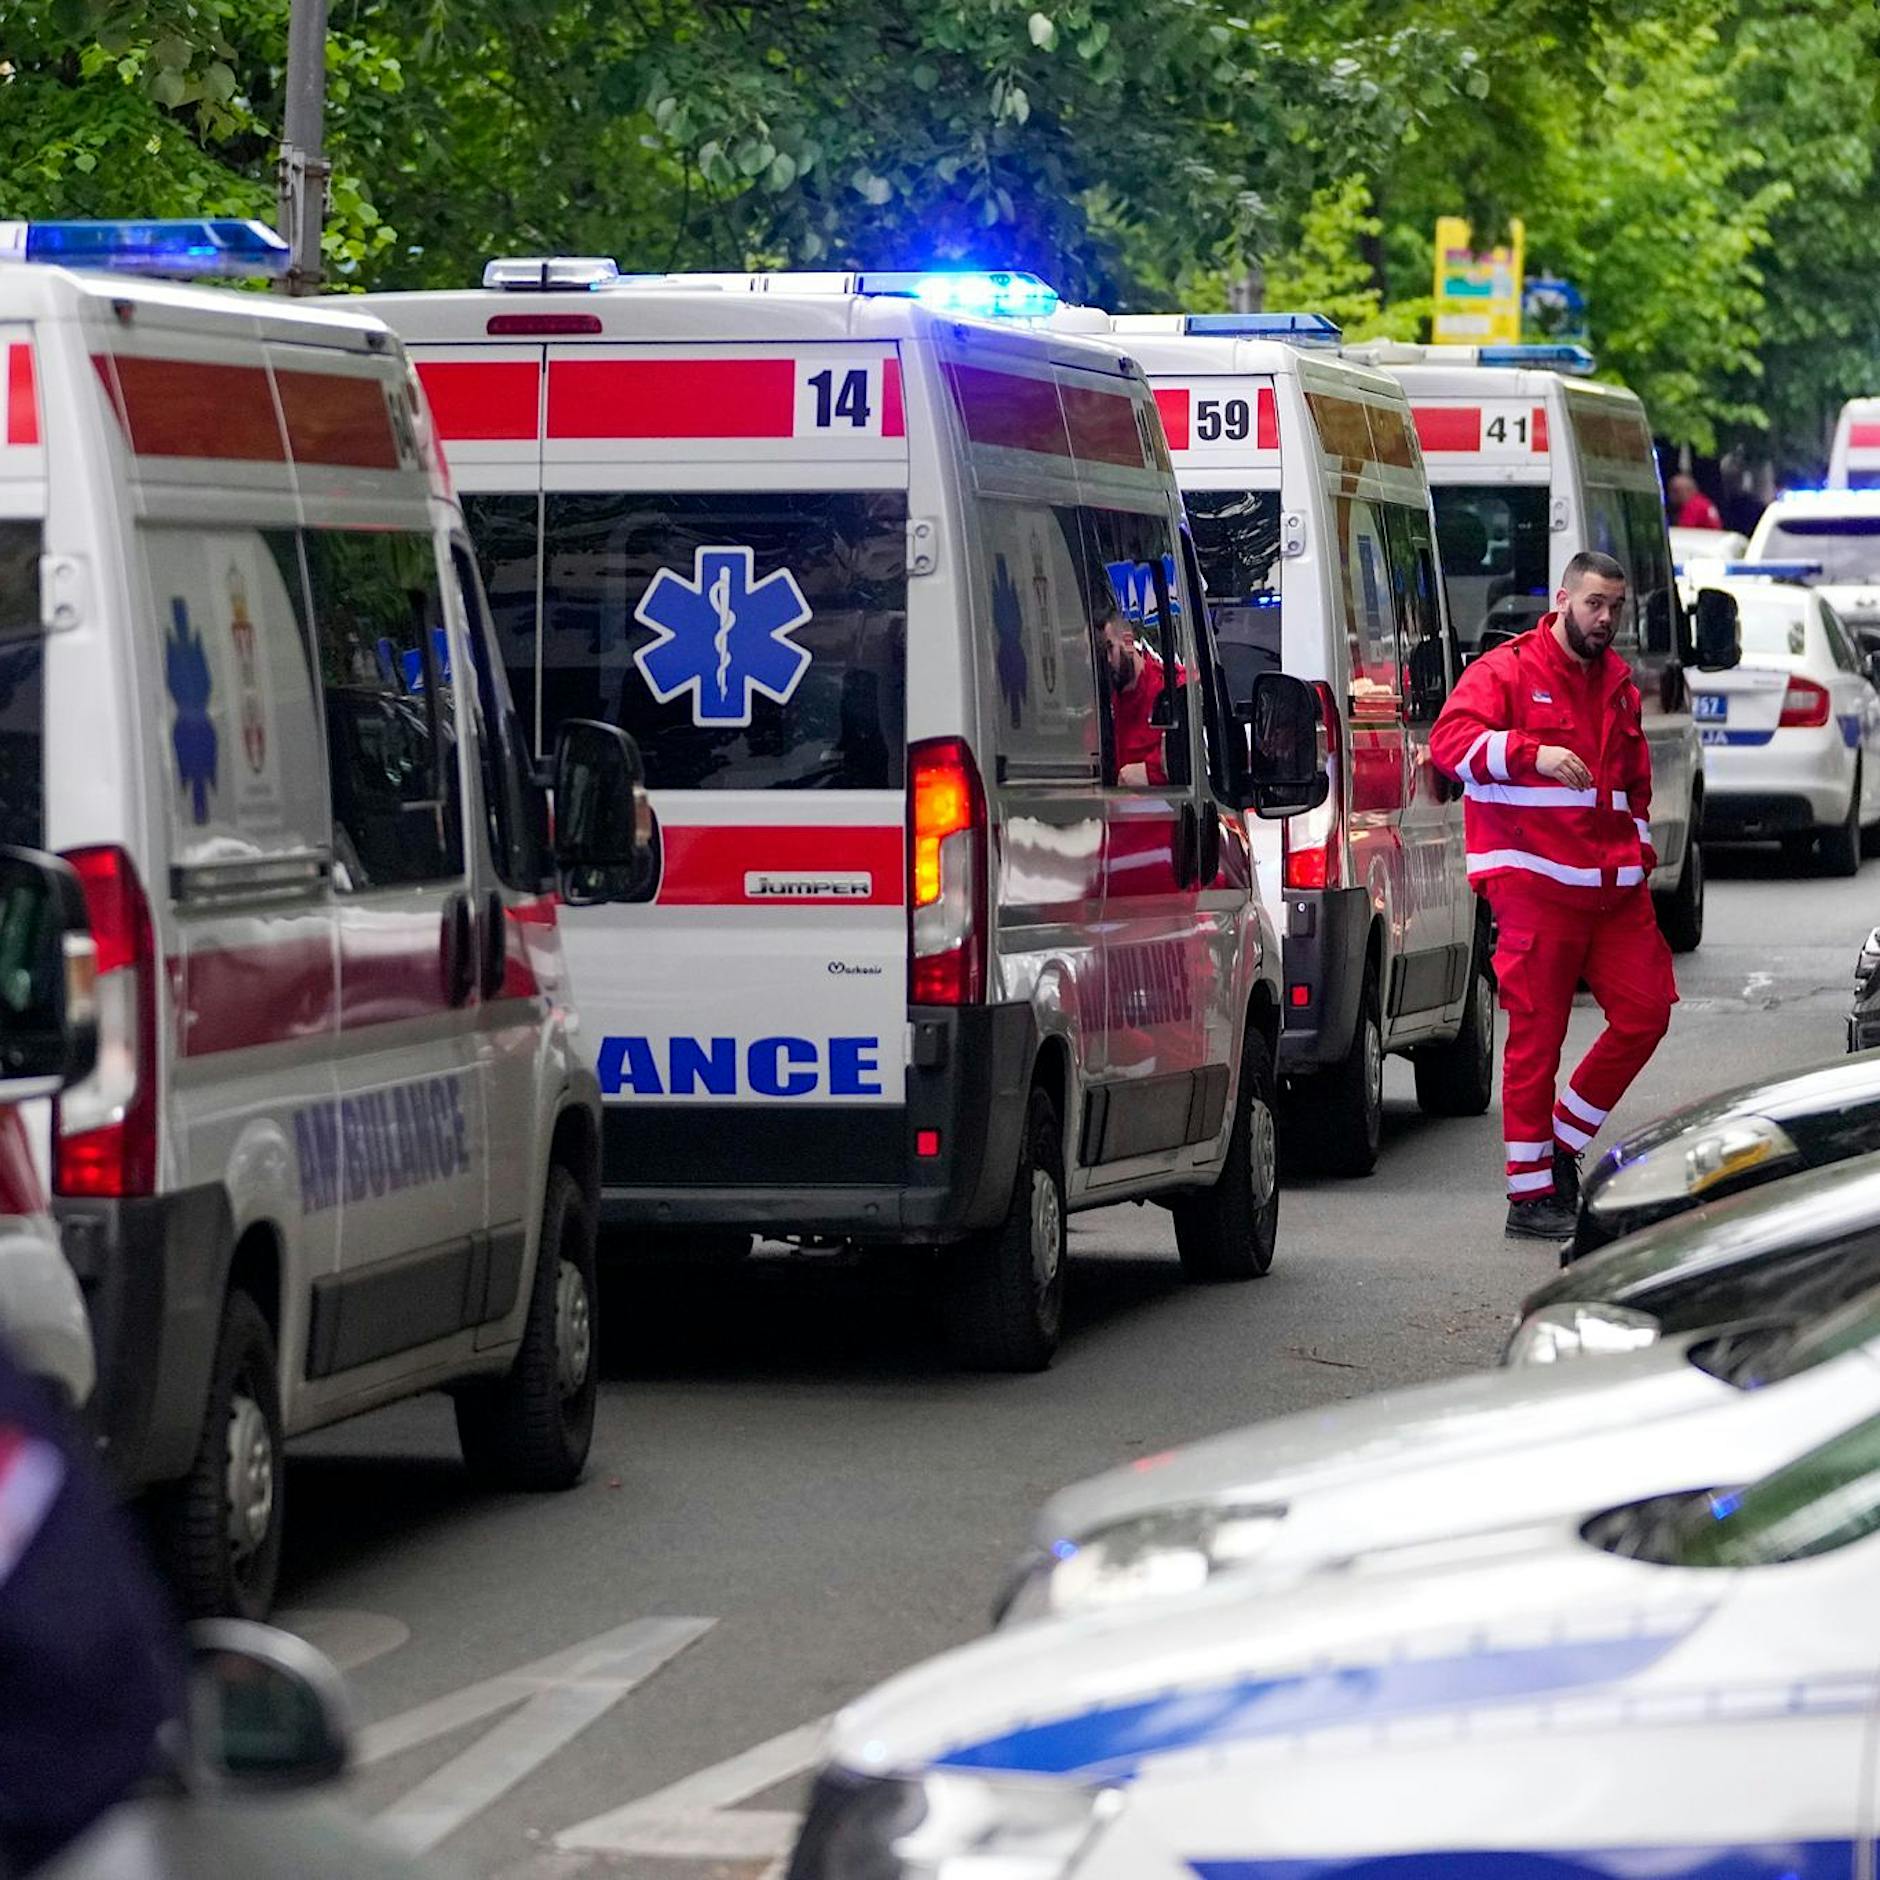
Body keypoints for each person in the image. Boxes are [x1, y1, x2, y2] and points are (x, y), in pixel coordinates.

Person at [1429, 550, 1677, 1241]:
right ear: (1564, 599)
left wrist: (1639, 857)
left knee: (1647, 1012)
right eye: (1595, 603)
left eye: (1616, 607)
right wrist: (1527, 753)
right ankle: (1531, 1194)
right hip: (1535, 887)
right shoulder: (1508, 670)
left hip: (1613, 894)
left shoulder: (1619, 685)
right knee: (1535, 1040)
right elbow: (1450, 744)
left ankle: (1561, 1144)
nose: (1606, 619)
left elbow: (1632, 790)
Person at [1096, 602, 1185, 785]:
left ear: (1128, 642)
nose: (1104, 661)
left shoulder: (1173, 689)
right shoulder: (1098, 705)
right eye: (1096, 654)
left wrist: (1150, 773)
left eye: (1109, 649)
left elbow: (1190, 757)